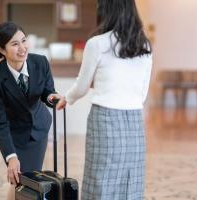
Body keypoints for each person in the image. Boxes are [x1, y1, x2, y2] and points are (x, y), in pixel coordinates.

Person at [57, 0, 153, 199]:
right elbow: (142, 93)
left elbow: (82, 86)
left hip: (105, 117)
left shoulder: (97, 44)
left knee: (101, 177)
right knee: (131, 178)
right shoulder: (144, 45)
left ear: (107, 11)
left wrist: (67, 98)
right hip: (134, 120)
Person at [0, 22, 63, 200]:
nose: (22, 48)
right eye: (14, 44)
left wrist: (51, 98)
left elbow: (47, 91)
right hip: (15, 135)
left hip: (38, 130)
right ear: (2, 50)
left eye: (24, 41)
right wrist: (11, 156)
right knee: (21, 180)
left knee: (24, 180)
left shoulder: (40, 62)